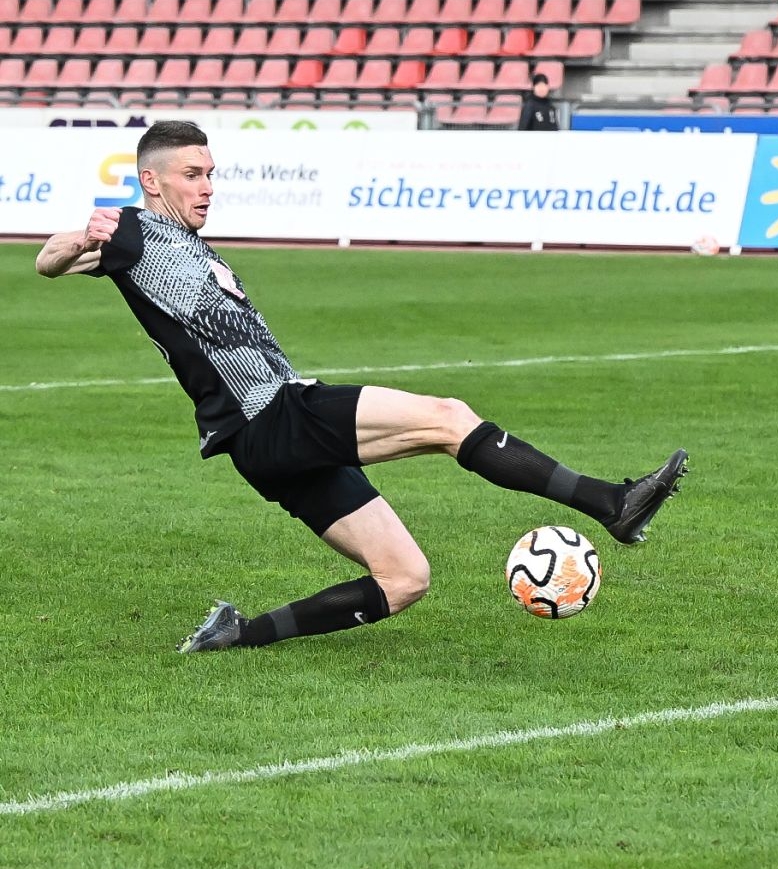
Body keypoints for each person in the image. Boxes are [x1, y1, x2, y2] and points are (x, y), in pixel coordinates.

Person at [35, 120, 687, 653]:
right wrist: (77, 239)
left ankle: (236, 635)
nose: (207, 187)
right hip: (273, 416)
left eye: (210, 174)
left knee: (405, 579)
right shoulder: (132, 230)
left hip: (262, 446)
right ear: (151, 180)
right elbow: (49, 259)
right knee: (446, 417)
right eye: (191, 175)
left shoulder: (181, 242)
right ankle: (612, 503)